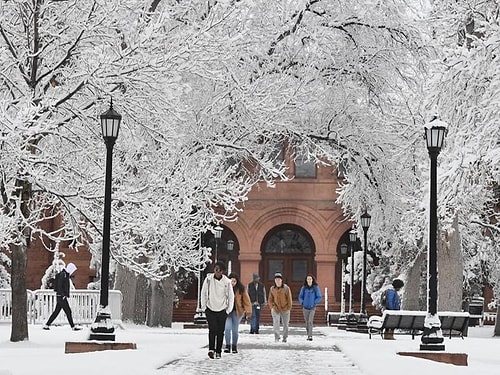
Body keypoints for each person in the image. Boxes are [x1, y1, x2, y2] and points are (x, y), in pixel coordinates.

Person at [201, 261, 234, 359]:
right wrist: (204, 307)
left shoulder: (227, 282)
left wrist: (228, 310)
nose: (217, 272)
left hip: (222, 309)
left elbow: (231, 296)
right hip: (210, 308)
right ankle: (211, 349)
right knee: (212, 329)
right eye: (216, 269)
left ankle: (218, 351)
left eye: (220, 270)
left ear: (223, 272)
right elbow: (203, 293)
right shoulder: (208, 280)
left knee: (220, 331)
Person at [43, 263, 82, 331]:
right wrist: (63, 295)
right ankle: (73, 327)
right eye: (73, 269)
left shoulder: (64, 274)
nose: (73, 271)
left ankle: (47, 325)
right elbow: (60, 285)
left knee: (57, 312)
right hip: (61, 297)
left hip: (60, 296)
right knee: (68, 311)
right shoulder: (63, 275)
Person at [224, 273, 252, 354]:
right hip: (227, 312)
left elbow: (246, 301)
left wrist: (248, 311)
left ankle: (234, 346)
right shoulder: (225, 288)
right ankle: (227, 346)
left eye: (234, 281)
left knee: (235, 330)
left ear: (237, 282)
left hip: (237, 312)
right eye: (231, 281)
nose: (232, 283)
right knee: (227, 328)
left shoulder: (241, 289)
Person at [268, 272, 292, 343]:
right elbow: (270, 299)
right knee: (276, 323)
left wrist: (288, 308)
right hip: (276, 308)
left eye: (279, 279)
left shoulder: (286, 288)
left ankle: (285, 337)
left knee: (286, 324)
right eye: (276, 279)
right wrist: (271, 307)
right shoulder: (272, 289)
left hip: (285, 308)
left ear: (281, 280)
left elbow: (289, 299)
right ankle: (277, 337)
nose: (277, 281)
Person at [298, 274, 322, 341]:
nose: (309, 280)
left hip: (312, 307)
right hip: (305, 307)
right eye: (308, 279)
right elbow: (300, 296)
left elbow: (319, 296)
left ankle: (310, 336)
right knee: (307, 322)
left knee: (310, 321)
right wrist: (302, 302)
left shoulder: (315, 288)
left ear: (312, 280)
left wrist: (315, 302)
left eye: (310, 279)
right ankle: (308, 333)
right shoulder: (304, 288)